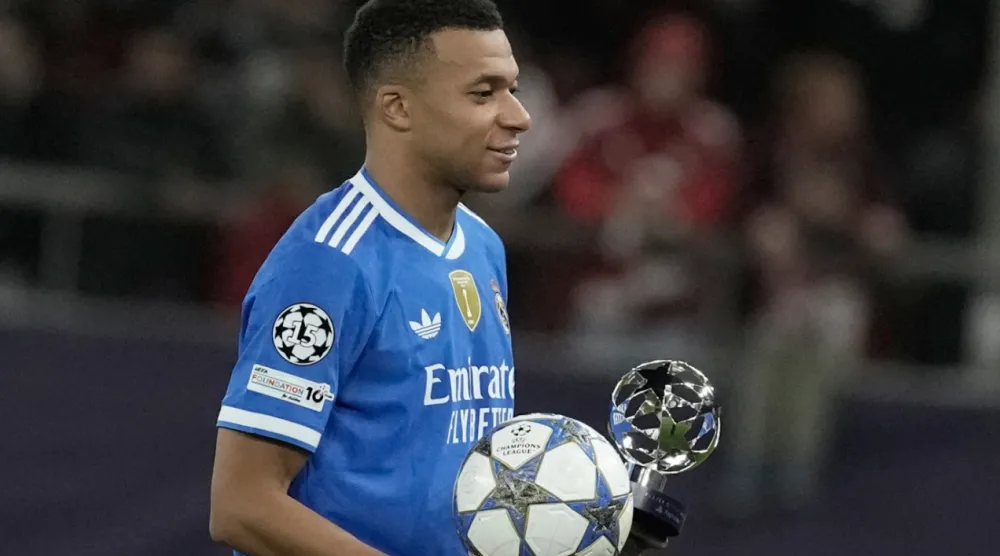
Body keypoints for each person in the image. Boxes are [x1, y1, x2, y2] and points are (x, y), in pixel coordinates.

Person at [207, 1, 530, 555]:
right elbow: (241, 505)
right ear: (398, 108)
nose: (518, 115)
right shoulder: (329, 262)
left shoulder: (483, 247)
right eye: (484, 93)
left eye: (513, 88)